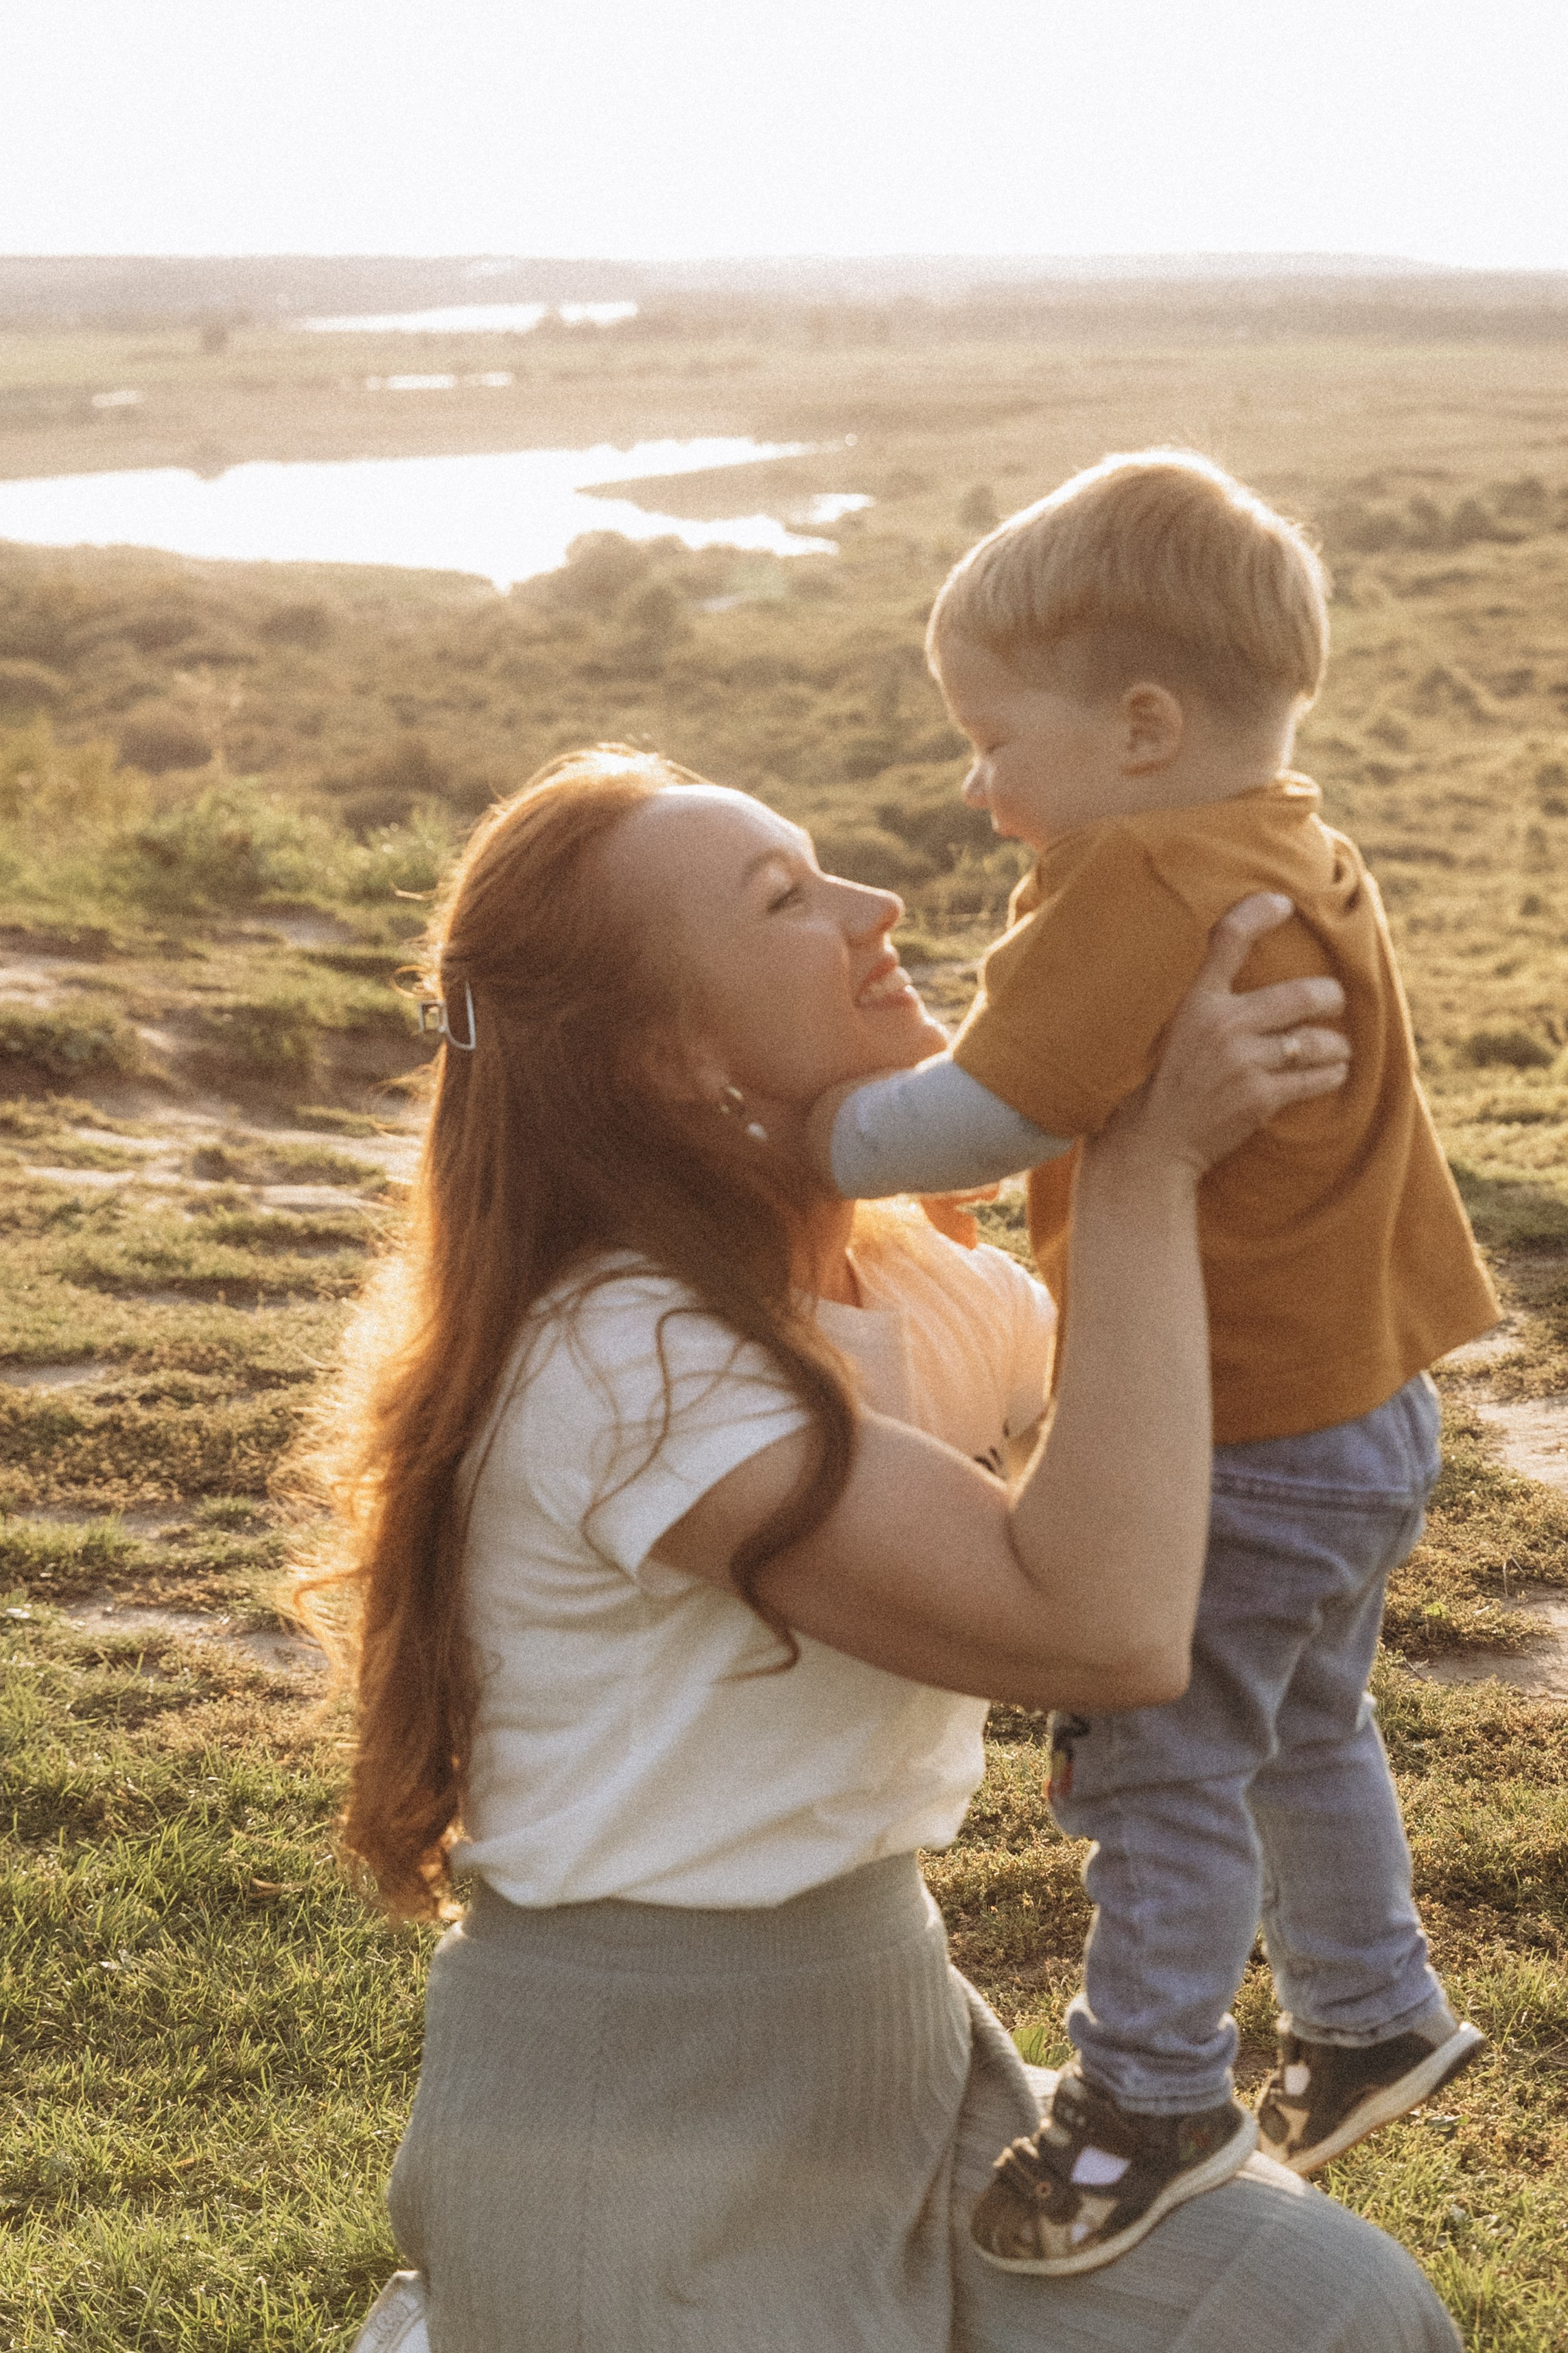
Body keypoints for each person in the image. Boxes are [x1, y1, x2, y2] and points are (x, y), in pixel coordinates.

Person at [310, 746, 1461, 2353]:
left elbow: (1180, 1440)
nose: (878, 905)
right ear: (668, 1060)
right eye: (787, 900)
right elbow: (1108, 1627)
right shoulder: (624, 1358)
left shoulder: (903, 1274)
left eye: (822, 865)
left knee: (1335, 2318)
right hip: (631, 2106)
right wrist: (1141, 1161)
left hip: (908, 2049)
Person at [808, 450, 1498, 2275]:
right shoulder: (1290, 835)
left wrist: (791, 1136)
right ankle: (1366, 2006)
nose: (973, 788)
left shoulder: (1140, 873)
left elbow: (985, 1110)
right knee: (1306, 1713)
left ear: (1133, 725)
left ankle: (1146, 2096)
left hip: (1241, 1429)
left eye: (987, 740)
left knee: (1160, 1759)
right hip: (1366, 1408)